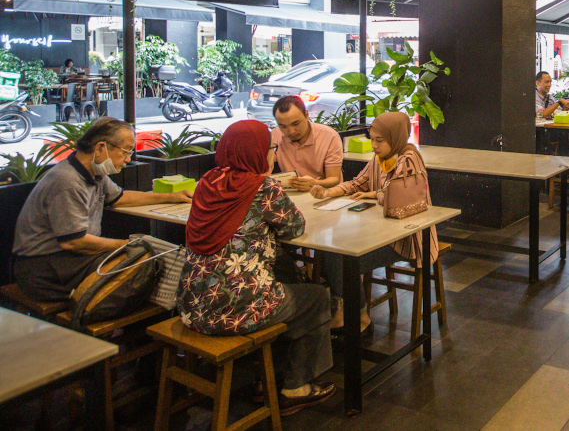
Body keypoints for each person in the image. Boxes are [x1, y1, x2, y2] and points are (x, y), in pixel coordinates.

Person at [177, 120, 336, 415]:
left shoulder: (207, 182)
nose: (272, 154)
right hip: (235, 311)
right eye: (270, 148)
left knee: (285, 280)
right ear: (256, 153)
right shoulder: (263, 188)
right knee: (315, 298)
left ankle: (268, 375)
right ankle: (295, 387)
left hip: (192, 304)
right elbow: (294, 227)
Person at [11, 117, 193, 302]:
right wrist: (124, 244)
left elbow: (120, 197)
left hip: (71, 258)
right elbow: (74, 242)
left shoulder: (94, 173)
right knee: (146, 260)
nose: (128, 159)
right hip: (46, 267)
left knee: (147, 258)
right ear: (100, 148)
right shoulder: (68, 182)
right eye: (126, 152)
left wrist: (172, 197)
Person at [310, 112, 439, 334]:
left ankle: (358, 317)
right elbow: (357, 183)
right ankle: (349, 311)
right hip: (380, 232)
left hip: (406, 239)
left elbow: (397, 197)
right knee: (332, 250)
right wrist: (329, 191)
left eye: (379, 140)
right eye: (372, 139)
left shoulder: (409, 159)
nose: (374, 145)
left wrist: (373, 194)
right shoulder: (380, 159)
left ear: (395, 137)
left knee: (346, 261)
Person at [271, 95, 343, 191]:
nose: (291, 131)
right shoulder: (275, 135)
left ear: (306, 115)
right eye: (283, 126)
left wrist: (314, 183)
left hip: (325, 194)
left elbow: (334, 179)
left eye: (295, 124)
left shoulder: (329, 136)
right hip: (292, 194)